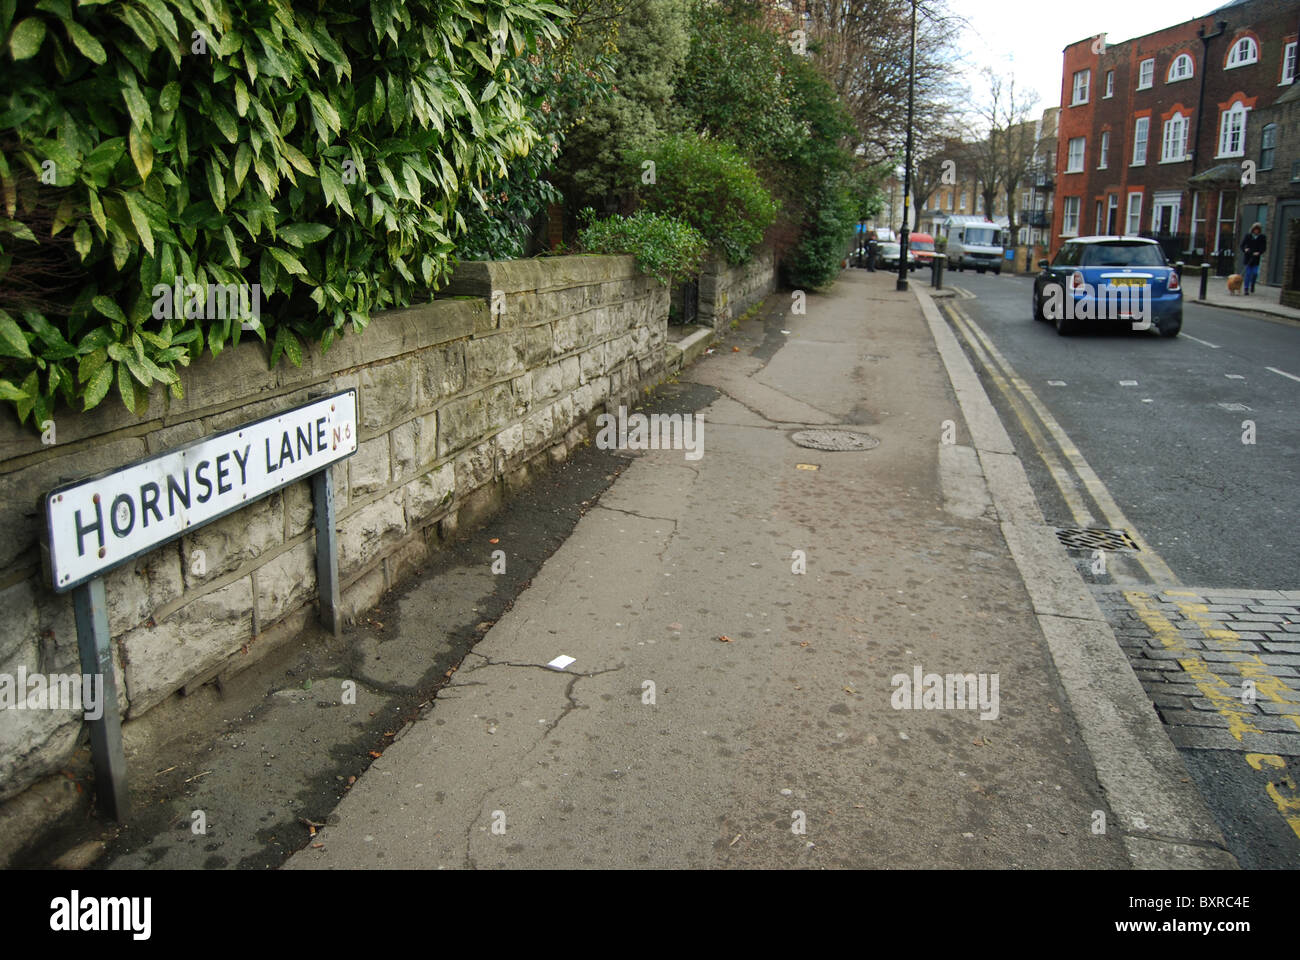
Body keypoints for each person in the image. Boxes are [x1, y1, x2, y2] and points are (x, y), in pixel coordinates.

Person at [1241, 222, 1266, 295]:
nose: (1256, 231)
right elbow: (1242, 245)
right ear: (1252, 229)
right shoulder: (1248, 236)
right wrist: (1245, 250)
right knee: (1248, 274)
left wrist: (1259, 252)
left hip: (1256, 258)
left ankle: (1252, 284)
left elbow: (1264, 247)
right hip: (1248, 257)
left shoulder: (1262, 237)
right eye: (1255, 229)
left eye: (1257, 230)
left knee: (1255, 273)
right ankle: (1246, 288)